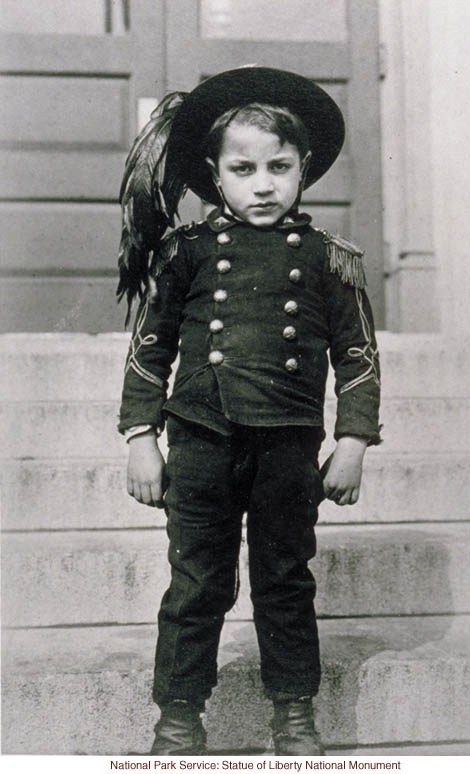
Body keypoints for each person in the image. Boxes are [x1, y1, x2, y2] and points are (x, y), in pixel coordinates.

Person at [117, 67, 381, 756]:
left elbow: (358, 359)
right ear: (214, 174)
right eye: (243, 168)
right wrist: (140, 436)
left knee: (284, 581)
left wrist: (352, 442)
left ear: (303, 170)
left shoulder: (330, 259)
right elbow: (150, 348)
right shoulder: (188, 252)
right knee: (196, 582)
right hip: (200, 439)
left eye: (279, 167)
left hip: (287, 449)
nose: (262, 183)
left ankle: (292, 716)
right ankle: (178, 719)